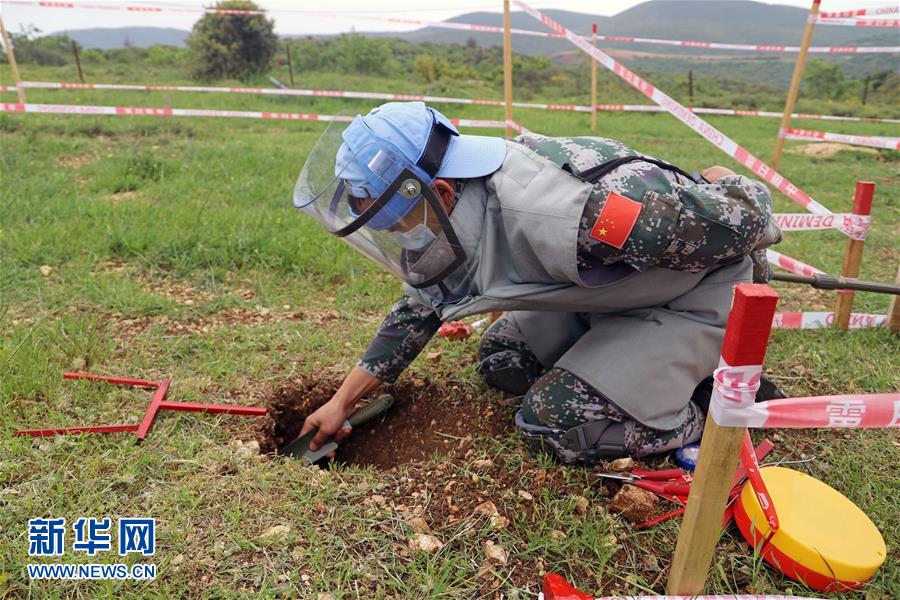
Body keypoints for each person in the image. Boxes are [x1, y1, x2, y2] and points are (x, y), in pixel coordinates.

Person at [291, 101, 781, 464]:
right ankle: (625, 370)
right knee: (502, 358)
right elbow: (420, 306)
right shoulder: (460, 195)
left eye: (402, 225)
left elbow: (745, 221)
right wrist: (340, 403)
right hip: (611, 293)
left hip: (697, 295)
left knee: (557, 421)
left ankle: (711, 405)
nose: (408, 242)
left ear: (439, 190)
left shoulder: (581, 216)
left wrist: (727, 184)